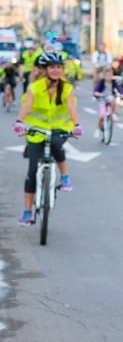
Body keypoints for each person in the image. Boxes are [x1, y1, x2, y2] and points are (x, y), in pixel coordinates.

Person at [13, 51, 83, 225]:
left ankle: (64, 176)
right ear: (45, 69)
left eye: (59, 67)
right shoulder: (35, 87)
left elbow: (71, 107)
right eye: (52, 67)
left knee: (57, 143)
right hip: (36, 130)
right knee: (31, 172)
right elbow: (27, 104)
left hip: (59, 128)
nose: (56, 70)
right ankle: (27, 211)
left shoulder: (67, 87)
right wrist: (19, 121)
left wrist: (76, 125)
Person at [92, 66, 123, 138]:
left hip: (109, 98)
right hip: (102, 99)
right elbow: (96, 89)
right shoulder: (101, 82)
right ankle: (98, 129)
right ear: (104, 76)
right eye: (107, 76)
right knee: (102, 115)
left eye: (110, 75)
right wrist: (96, 93)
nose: (109, 77)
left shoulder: (113, 82)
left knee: (114, 101)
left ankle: (113, 114)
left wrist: (122, 94)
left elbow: (119, 89)